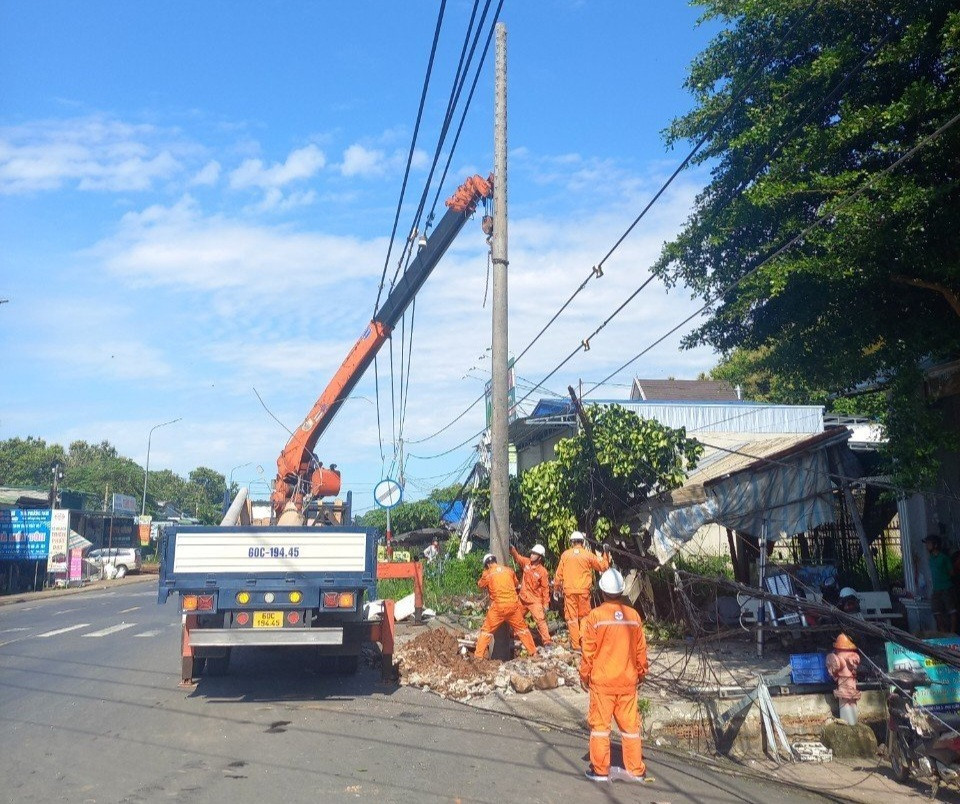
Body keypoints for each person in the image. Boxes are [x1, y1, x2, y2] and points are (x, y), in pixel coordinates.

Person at [579, 567, 650, 784]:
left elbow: (588, 651)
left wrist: (584, 676)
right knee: (630, 728)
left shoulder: (595, 617)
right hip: (627, 681)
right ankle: (636, 769)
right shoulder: (634, 616)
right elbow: (641, 651)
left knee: (600, 728)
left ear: (601, 592)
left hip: (603, 683)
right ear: (621, 591)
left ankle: (600, 770)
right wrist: (641, 672)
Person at [553, 531, 609, 651]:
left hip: (569, 592)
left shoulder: (565, 555)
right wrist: (606, 553)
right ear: (582, 542)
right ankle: (584, 642)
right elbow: (603, 566)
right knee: (584, 617)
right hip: (584, 592)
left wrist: (556, 589)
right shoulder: (587, 555)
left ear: (571, 542)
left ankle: (576, 645)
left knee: (572, 619)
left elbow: (558, 576)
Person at [474, 553, 538, 658]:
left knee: (486, 631)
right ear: (495, 561)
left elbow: (480, 585)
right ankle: (533, 652)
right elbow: (516, 584)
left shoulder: (488, 573)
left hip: (498, 607)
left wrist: (485, 574)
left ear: (487, 565)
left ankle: (478, 656)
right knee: (522, 629)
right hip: (513, 606)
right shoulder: (509, 570)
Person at [509, 542, 552, 647]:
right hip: (523, 598)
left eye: (534, 554)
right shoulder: (526, 563)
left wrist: (546, 604)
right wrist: (512, 549)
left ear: (540, 558)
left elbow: (545, 589)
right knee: (515, 617)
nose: (531, 555)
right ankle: (513, 636)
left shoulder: (543, 572)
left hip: (535, 601)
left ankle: (547, 642)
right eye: (532, 553)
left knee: (540, 620)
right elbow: (517, 558)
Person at [925, 535, 957, 633]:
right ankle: (943, 632)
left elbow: (952, 572)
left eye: (929, 543)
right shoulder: (931, 559)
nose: (927, 546)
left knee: (952, 611)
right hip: (936, 590)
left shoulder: (944, 558)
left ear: (935, 545)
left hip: (947, 588)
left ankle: (953, 633)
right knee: (936, 611)